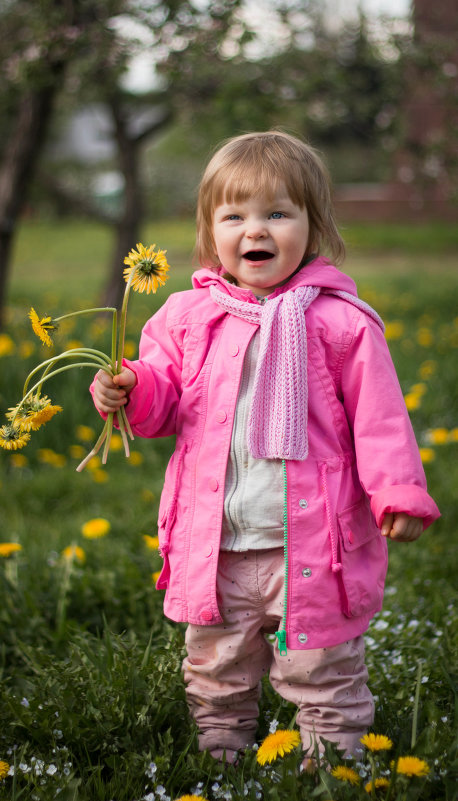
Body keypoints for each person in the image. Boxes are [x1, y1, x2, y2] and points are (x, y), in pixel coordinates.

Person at [90, 131, 440, 763]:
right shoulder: (184, 318)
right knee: (217, 658)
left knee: (322, 658)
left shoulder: (339, 321)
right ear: (210, 230)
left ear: (315, 226)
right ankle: (220, 743)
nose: (257, 229)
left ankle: (332, 752)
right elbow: (165, 403)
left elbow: (379, 419)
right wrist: (130, 388)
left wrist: (398, 491)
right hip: (216, 539)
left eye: (278, 213)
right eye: (236, 215)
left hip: (308, 540)